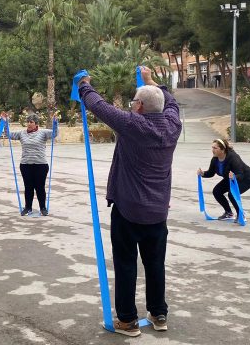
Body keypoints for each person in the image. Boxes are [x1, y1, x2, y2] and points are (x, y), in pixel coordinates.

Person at [77, 66, 181, 336]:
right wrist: (151, 82)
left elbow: (97, 106)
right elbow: (171, 101)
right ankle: (159, 314)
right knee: (155, 264)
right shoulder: (172, 125)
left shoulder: (134, 124)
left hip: (129, 210)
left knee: (125, 264)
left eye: (134, 101)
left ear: (141, 107)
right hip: (158, 212)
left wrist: (84, 84)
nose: (131, 105)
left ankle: (127, 320)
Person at [0, 112, 57, 216]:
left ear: (36, 123)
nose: (29, 124)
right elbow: (8, 135)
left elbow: (54, 134)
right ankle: (28, 208)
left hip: (40, 165)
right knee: (28, 187)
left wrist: (55, 122)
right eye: (28, 122)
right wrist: (5, 122)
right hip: (25, 164)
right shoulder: (22, 133)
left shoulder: (43, 132)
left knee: (40, 187)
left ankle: (43, 208)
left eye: (31, 122)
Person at [197, 138, 250, 222]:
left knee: (232, 194)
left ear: (223, 150)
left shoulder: (233, 157)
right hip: (231, 178)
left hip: (245, 178)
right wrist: (203, 173)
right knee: (217, 191)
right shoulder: (215, 159)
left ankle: (241, 215)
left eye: (215, 148)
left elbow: (240, 174)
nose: (212, 150)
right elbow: (211, 173)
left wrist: (234, 177)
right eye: (212, 147)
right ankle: (229, 213)